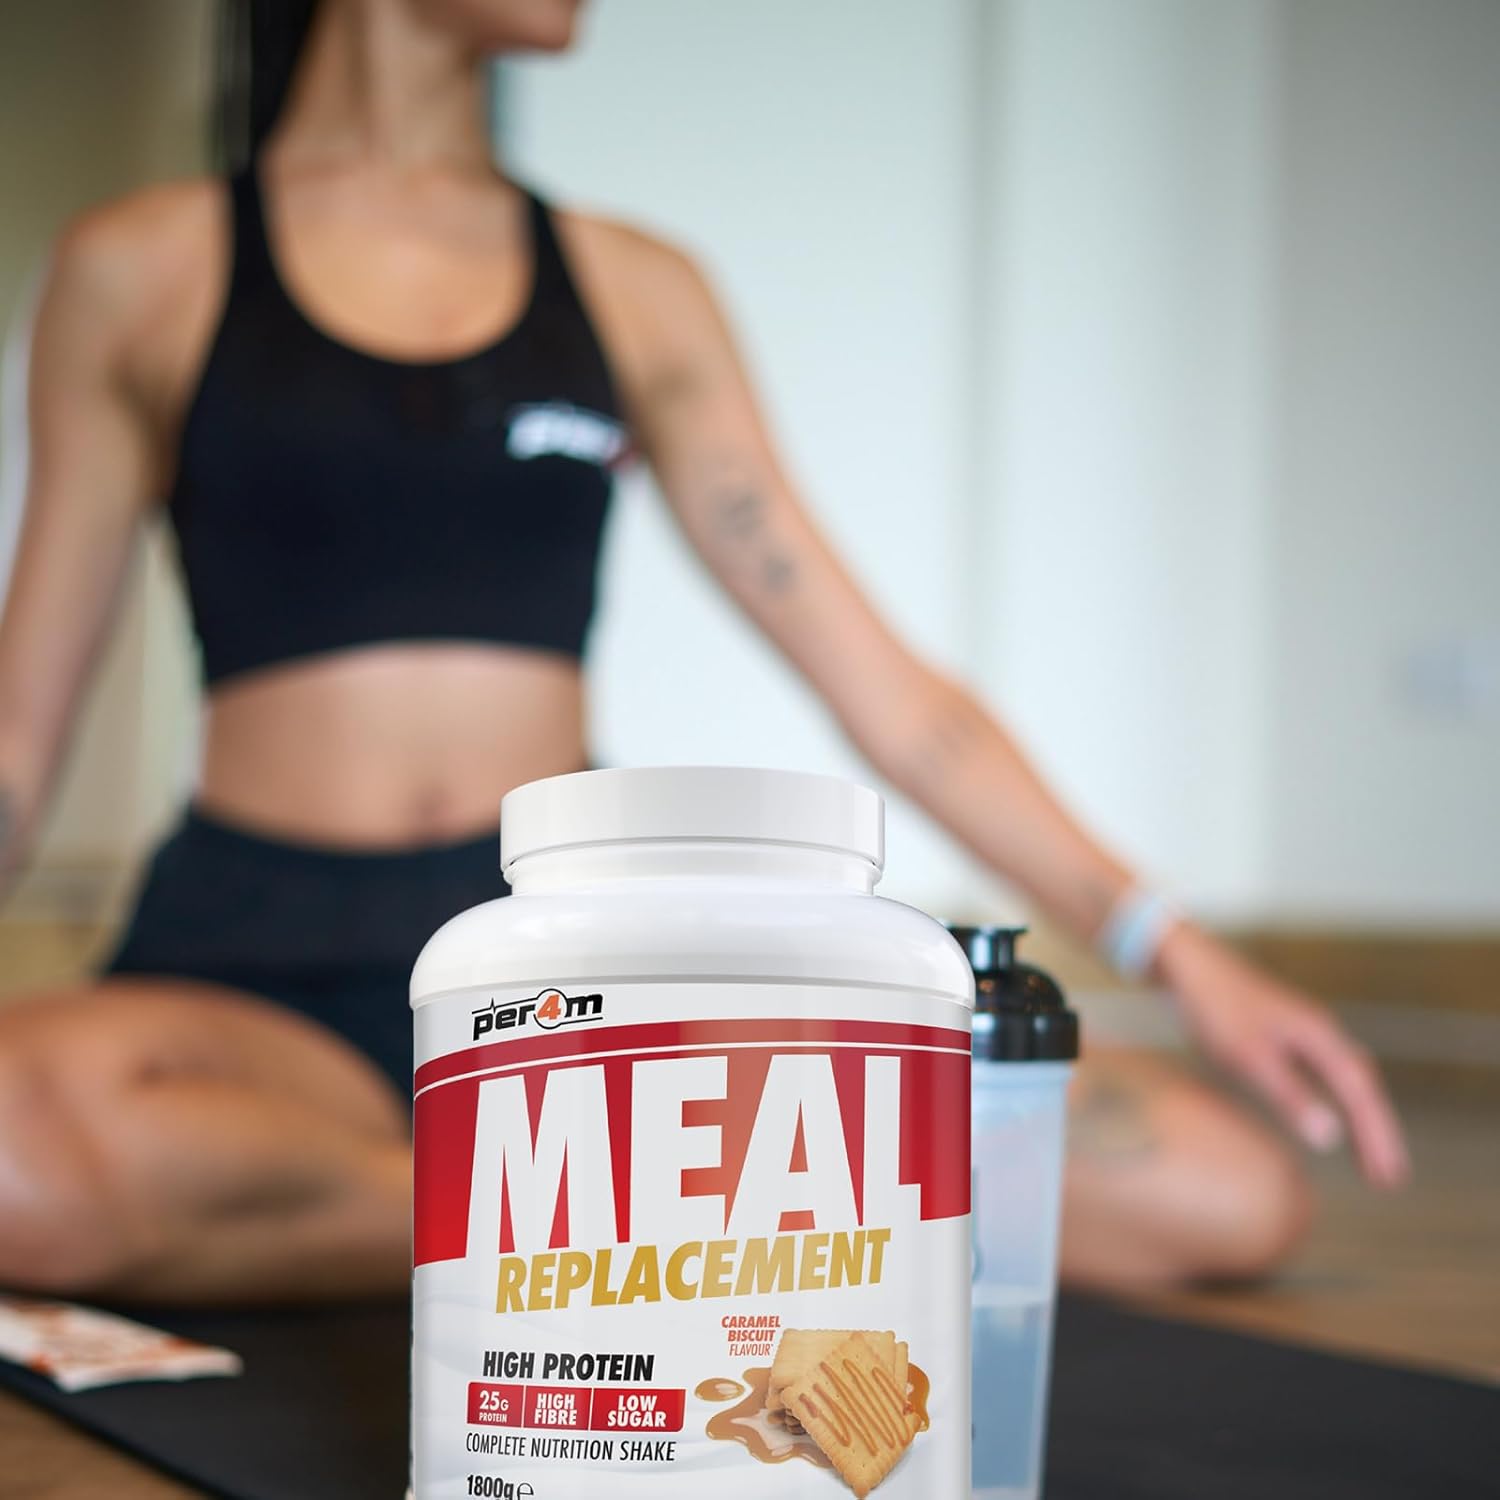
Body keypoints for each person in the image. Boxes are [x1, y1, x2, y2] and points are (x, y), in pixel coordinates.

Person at [0, 0, 1406, 1305]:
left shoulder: (634, 289)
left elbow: (896, 700)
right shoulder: (146, 268)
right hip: (255, 974)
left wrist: (1170, 945)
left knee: (1221, 1192)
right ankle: (623, 1216)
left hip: (562, 965)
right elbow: (19, 740)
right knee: (15, 1154)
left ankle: (458, 1210)